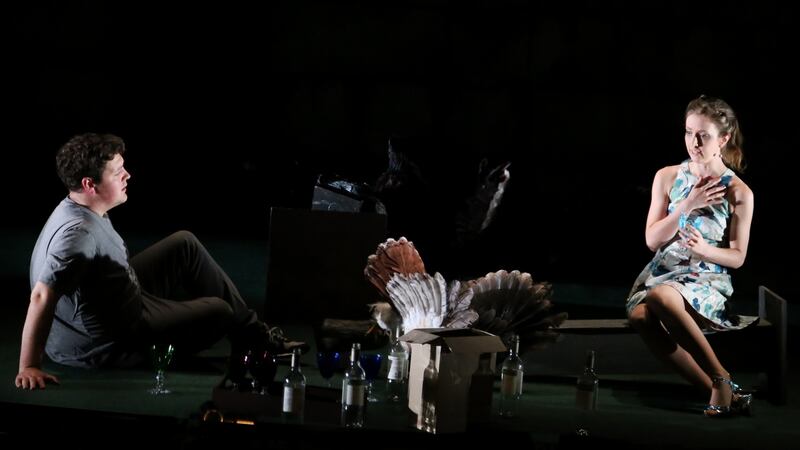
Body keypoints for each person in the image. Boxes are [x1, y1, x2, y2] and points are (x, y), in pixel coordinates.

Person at [15, 133, 307, 390]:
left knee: (184, 244)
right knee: (219, 311)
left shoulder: (79, 204)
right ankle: (250, 341)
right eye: (117, 173)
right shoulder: (77, 236)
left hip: (117, 298)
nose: (127, 175)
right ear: (89, 184)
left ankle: (255, 336)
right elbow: (41, 295)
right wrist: (28, 365)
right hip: (105, 342)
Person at [626, 95, 756, 417]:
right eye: (688, 132)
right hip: (664, 271)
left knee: (661, 299)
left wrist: (705, 250)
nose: (693, 142)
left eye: (703, 135)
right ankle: (722, 390)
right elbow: (652, 239)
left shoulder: (738, 191)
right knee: (640, 315)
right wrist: (687, 205)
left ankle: (721, 376)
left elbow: (738, 257)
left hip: (706, 277)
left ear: (723, 139)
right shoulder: (667, 176)